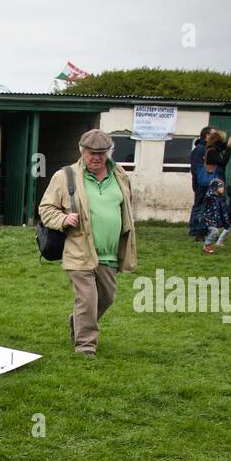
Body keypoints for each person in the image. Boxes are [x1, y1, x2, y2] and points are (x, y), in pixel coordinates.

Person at [38, 128, 137, 357]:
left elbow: (125, 208)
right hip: (79, 249)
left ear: (109, 153)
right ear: (82, 151)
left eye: (101, 153)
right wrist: (63, 219)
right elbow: (45, 209)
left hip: (109, 251)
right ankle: (86, 346)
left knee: (107, 298)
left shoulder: (120, 175)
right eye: (91, 153)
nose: (96, 157)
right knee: (87, 299)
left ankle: (78, 322)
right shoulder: (66, 176)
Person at [188, 126, 212, 238]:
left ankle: (200, 228)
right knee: (199, 206)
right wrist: (200, 180)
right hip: (200, 183)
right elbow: (195, 167)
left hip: (205, 182)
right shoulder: (200, 149)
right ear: (207, 136)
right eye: (213, 134)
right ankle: (194, 229)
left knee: (204, 206)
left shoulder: (208, 149)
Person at [201, 178, 230, 253]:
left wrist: (225, 221)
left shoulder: (221, 198)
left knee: (213, 233)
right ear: (214, 187)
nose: (222, 188)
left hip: (215, 219)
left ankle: (206, 246)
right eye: (220, 187)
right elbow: (207, 197)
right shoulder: (210, 197)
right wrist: (211, 192)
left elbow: (223, 210)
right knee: (215, 231)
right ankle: (207, 244)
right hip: (208, 218)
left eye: (223, 187)